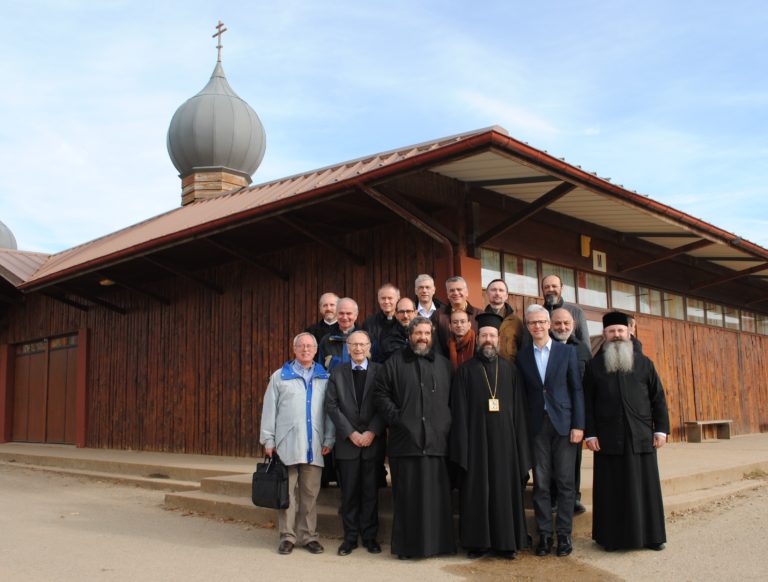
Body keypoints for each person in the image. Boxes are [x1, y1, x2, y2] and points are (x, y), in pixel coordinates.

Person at [584, 311, 670, 552]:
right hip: (608, 439)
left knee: (646, 490)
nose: (617, 335)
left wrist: (661, 429)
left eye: (620, 330)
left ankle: (652, 537)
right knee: (612, 491)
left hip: (641, 436)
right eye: (611, 331)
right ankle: (611, 539)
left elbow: (658, 399)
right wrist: (590, 433)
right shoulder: (594, 366)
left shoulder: (645, 364)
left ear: (629, 332)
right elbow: (587, 403)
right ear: (605, 335)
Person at [450, 312, 530, 560]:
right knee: (476, 491)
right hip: (476, 445)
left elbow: (520, 412)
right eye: (483, 335)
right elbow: (459, 413)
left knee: (504, 491)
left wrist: (520, 448)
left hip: (506, 445)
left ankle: (507, 543)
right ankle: (477, 543)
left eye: (492, 335)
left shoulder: (511, 371)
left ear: (497, 339)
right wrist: (462, 448)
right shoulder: (465, 371)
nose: (488, 339)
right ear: (478, 338)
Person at [373, 316, 455, 559]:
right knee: (408, 500)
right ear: (409, 336)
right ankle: (408, 548)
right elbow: (380, 393)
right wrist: (397, 418)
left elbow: (452, 401)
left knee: (437, 500)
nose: (422, 337)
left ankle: (439, 545)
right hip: (405, 443)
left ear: (432, 336)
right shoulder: (393, 363)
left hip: (437, 443)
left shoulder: (443, 365)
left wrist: (445, 423)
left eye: (427, 333)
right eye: (418, 333)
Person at [516, 304, 584, 558]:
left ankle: (564, 534)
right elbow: (522, 395)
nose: (537, 326)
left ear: (549, 323)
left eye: (541, 322)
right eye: (532, 323)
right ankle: (545, 534)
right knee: (542, 484)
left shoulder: (566, 352)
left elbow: (576, 389)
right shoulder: (522, 357)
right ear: (528, 326)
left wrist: (579, 425)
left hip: (564, 425)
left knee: (566, 482)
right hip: (537, 427)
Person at [260, 332, 335, 555]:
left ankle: (308, 536)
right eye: (301, 346)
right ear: (294, 349)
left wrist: (329, 437)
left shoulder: (325, 377)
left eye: (309, 346)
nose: (305, 350)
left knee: (310, 494)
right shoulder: (280, 376)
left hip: (315, 443)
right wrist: (268, 439)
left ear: (315, 350)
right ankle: (287, 536)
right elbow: (269, 409)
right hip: (286, 444)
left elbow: (330, 411)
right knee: (287, 493)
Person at [325, 331, 385, 556]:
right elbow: (331, 406)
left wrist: (372, 431)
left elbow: (384, 404)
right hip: (347, 444)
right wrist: (350, 433)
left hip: (372, 442)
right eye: (354, 344)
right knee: (348, 493)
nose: (358, 348)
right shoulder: (337, 373)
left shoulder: (380, 371)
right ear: (347, 348)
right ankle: (349, 538)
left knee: (370, 493)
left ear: (369, 346)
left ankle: (370, 537)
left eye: (362, 344)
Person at [550, 307, 592, 515]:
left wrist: (582, 420)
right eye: (557, 323)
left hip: (574, 413)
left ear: (573, 325)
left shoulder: (582, 349)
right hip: (551, 413)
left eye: (566, 323)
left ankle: (574, 498)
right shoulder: (543, 346)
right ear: (550, 324)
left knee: (573, 460)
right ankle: (552, 498)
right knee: (550, 461)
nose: (562, 327)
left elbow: (586, 385)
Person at [541, 274, 590, 345]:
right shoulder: (536, 315)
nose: (550, 289)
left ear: (561, 288)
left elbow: (585, 345)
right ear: (542, 290)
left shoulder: (576, 312)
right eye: (546, 287)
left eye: (554, 286)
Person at [484, 278, 525, 362]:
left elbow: (523, 349)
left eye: (501, 290)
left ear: (506, 296)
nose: (497, 293)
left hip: (510, 370)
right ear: (487, 294)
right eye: (493, 290)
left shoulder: (516, 322)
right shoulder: (480, 318)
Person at [435, 276, 479, 354]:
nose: (455, 293)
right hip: (446, 363)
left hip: (474, 363)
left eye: (459, 289)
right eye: (451, 290)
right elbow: (435, 344)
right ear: (447, 294)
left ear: (467, 292)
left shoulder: (479, 315)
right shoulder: (437, 315)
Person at [319, 297, 360, 371]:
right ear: (336, 315)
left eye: (348, 313)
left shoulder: (366, 339)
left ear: (356, 315)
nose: (344, 317)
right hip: (333, 381)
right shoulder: (326, 340)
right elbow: (321, 368)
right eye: (341, 313)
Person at [363, 284, 400, 362]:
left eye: (390, 298)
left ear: (397, 299)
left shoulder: (403, 321)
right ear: (378, 300)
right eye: (383, 298)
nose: (386, 302)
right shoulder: (369, 323)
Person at [379, 297, 416, 361]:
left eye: (409, 311)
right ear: (396, 314)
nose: (405, 316)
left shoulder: (423, 333)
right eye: (401, 312)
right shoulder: (388, 336)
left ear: (416, 313)